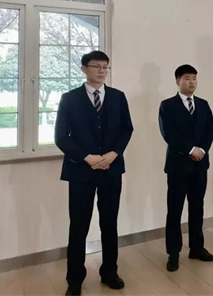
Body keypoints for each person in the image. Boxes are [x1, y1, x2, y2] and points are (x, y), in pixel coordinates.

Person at [55, 51, 133, 296]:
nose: (101, 71)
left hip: (111, 169)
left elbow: (127, 129)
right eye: (96, 66)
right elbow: (60, 137)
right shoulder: (69, 99)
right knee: (78, 226)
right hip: (81, 171)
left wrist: (114, 153)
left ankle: (110, 272)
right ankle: (75, 280)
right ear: (84, 69)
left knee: (109, 223)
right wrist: (86, 157)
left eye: (105, 67)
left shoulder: (118, 97)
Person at [158, 64, 213, 273]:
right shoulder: (167, 105)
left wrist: (202, 150)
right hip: (178, 165)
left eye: (194, 78)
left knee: (197, 207)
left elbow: (210, 130)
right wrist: (191, 149)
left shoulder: (203, 104)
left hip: (200, 164)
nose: (192, 82)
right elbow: (168, 133)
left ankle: (196, 248)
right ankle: (173, 253)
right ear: (178, 81)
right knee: (175, 209)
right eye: (187, 78)